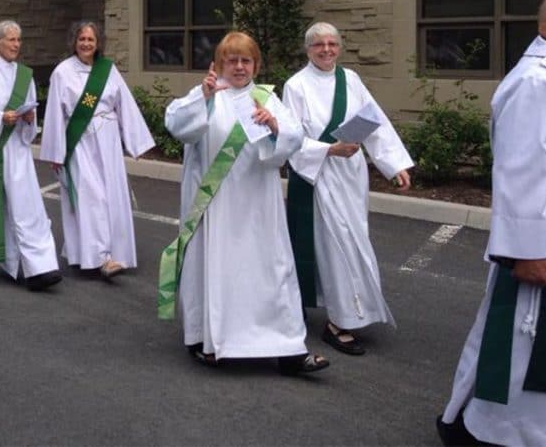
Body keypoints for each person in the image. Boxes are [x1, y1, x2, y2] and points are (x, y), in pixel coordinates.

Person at [437, 0, 546, 447]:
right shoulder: (538, 80)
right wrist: (526, 252)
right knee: (524, 338)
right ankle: (498, 431)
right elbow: (520, 169)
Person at [161, 31, 329, 374]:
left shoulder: (266, 98)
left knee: (272, 271)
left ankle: (288, 348)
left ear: (256, 65)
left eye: (246, 60)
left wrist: (274, 127)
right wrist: (204, 100)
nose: (239, 67)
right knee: (217, 268)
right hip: (217, 206)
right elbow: (177, 124)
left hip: (257, 207)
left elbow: (294, 137)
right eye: (232, 60)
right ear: (219, 64)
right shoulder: (207, 92)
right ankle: (208, 339)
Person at [282, 22, 414, 355]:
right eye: (318, 45)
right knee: (336, 245)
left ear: (340, 47)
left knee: (355, 240)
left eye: (332, 44)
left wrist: (394, 164)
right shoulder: (295, 86)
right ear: (307, 49)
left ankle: (353, 310)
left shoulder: (350, 80)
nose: (326, 50)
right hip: (319, 176)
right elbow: (290, 137)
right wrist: (328, 149)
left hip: (352, 175)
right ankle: (340, 321)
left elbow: (375, 121)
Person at [40, 21, 155, 279]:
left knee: (112, 195)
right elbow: (55, 114)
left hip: (109, 139)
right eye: (82, 39)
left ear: (98, 43)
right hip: (79, 141)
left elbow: (124, 104)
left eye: (91, 40)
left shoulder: (107, 70)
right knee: (91, 197)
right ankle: (98, 256)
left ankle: (115, 252)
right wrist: (55, 152)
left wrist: (136, 142)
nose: (86, 44)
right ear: (74, 42)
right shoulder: (62, 72)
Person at [0, 20, 62, 291]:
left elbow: (29, 111)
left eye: (19, 40)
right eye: (11, 40)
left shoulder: (25, 75)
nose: (16, 45)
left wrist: (29, 118)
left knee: (27, 209)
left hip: (18, 151)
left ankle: (37, 268)